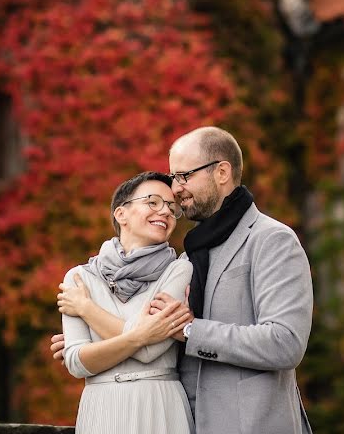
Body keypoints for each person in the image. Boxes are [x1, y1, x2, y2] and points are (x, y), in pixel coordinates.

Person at [53, 126, 314, 434]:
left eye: (184, 176)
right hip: (181, 421)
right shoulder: (190, 256)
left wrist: (191, 331)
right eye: (174, 178)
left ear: (222, 172)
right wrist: (97, 338)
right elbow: (153, 339)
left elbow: (285, 343)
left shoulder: (271, 240)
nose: (175, 189)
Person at [59, 171, 195, 434]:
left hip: (159, 404)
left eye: (171, 207)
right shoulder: (79, 278)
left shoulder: (180, 270)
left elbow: (149, 352)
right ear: (121, 214)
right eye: (153, 202)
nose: (166, 211)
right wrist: (140, 334)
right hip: (101, 407)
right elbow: (76, 362)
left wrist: (87, 310)